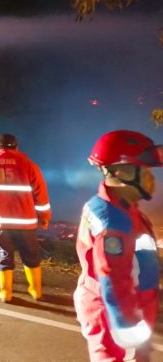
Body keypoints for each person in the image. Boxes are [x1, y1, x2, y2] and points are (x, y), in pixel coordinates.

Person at [74, 131, 162, 362]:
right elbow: (113, 283)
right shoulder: (113, 221)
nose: (152, 179)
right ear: (122, 171)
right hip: (114, 315)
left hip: (129, 306)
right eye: (146, 171)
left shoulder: (121, 208)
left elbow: (139, 261)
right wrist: (131, 337)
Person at [0, 133, 51, 303]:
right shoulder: (29, 165)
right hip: (26, 224)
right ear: (16, 147)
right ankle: (36, 290)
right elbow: (41, 195)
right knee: (31, 256)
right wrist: (44, 217)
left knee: (3, 256)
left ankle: (6, 293)